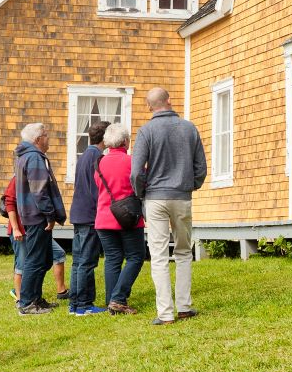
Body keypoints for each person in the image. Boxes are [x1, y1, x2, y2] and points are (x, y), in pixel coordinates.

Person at [130, 88, 206, 325]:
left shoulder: (146, 131)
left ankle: (165, 313)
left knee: (159, 256)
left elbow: (135, 172)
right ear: (169, 101)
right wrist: (189, 185)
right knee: (183, 251)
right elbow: (201, 167)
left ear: (149, 106)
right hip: (182, 196)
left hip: (155, 198)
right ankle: (184, 306)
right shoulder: (189, 128)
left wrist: (142, 193)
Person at [92, 123, 148, 315]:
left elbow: (99, 185)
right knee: (135, 257)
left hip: (103, 217)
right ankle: (118, 298)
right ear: (125, 141)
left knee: (112, 259)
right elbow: (142, 183)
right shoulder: (132, 162)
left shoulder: (99, 162)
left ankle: (111, 300)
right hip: (127, 216)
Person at [12, 123, 66, 315]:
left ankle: (35, 298)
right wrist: (50, 215)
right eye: (46, 135)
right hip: (37, 217)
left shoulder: (24, 156)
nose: (48, 138)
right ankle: (27, 303)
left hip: (31, 215)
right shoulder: (34, 157)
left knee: (44, 259)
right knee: (36, 260)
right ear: (37, 139)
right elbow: (39, 190)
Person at [66, 121, 110, 315]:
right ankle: (84, 304)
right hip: (90, 214)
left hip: (78, 212)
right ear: (105, 138)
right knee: (87, 261)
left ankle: (74, 303)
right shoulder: (97, 157)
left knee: (78, 260)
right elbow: (97, 189)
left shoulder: (84, 155)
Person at [0, 176, 67, 303]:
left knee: (58, 254)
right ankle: (20, 298)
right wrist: (15, 228)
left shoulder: (38, 180)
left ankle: (61, 291)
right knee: (22, 265)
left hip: (38, 231)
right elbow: (9, 203)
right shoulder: (17, 179)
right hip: (21, 231)